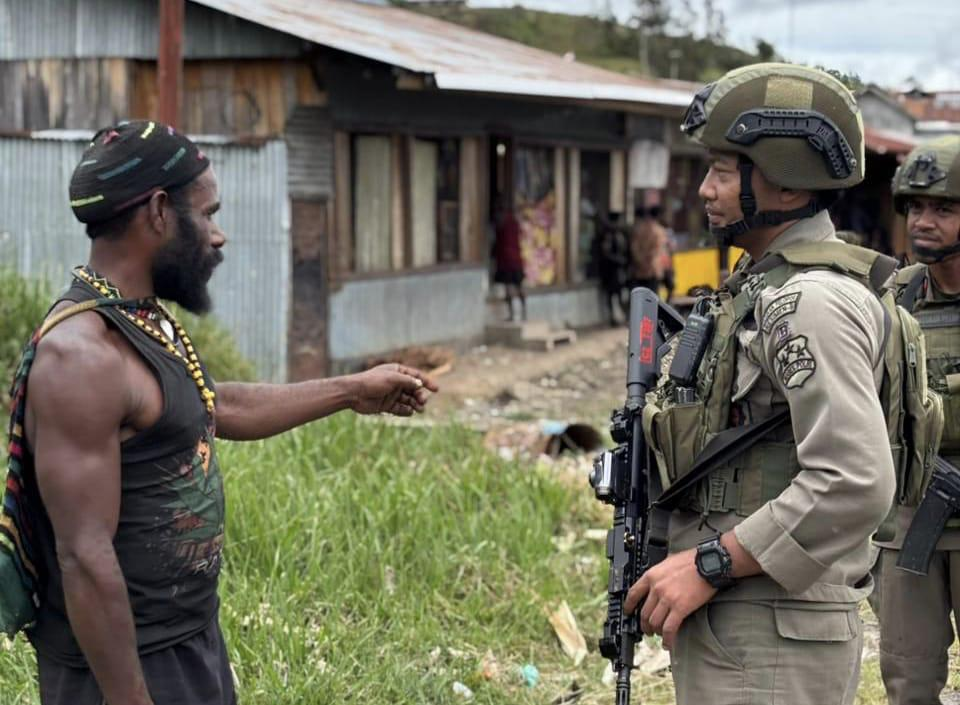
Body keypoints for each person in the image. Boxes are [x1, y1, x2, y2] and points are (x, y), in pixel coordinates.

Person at [10, 121, 438, 705]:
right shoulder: (80, 358)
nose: (218, 235)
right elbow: (83, 556)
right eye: (208, 213)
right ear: (159, 211)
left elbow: (214, 404)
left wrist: (351, 391)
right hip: (122, 670)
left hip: (186, 644)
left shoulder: (138, 319)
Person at [625, 64, 899, 704]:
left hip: (771, 632)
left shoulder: (810, 301)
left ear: (786, 181)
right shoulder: (762, 287)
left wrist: (711, 562)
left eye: (723, 172)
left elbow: (855, 480)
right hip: (750, 621)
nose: (705, 190)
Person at [875, 135, 960, 705]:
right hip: (913, 517)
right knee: (907, 678)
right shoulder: (894, 299)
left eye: (943, 208)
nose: (923, 222)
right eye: (916, 207)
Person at [492, 199, 526, 322]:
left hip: (506, 260)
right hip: (515, 259)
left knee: (509, 288)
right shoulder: (513, 222)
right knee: (518, 287)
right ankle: (523, 313)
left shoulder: (503, 222)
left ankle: (513, 314)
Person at [596, 211, 629, 326]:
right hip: (610, 271)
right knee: (612, 295)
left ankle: (621, 317)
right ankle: (613, 318)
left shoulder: (620, 234)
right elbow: (606, 254)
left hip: (619, 270)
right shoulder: (608, 235)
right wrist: (619, 260)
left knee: (620, 294)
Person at [628, 205, 668, 294]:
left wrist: (640, 261)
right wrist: (649, 261)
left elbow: (634, 248)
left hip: (639, 270)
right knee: (653, 296)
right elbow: (658, 250)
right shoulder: (659, 230)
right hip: (653, 269)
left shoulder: (637, 230)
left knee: (640, 296)